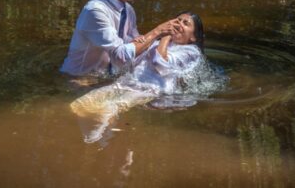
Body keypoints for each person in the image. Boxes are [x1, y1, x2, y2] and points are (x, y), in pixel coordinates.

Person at [70, 12, 205, 143]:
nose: (179, 24)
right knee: (79, 105)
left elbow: (160, 63)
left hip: (150, 90)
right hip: (127, 82)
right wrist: (141, 42)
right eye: (178, 20)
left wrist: (165, 36)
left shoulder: (192, 52)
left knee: (110, 107)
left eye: (185, 23)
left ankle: (101, 142)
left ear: (193, 37)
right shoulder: (156, 43)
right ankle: (82, 138)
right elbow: (129, 61)